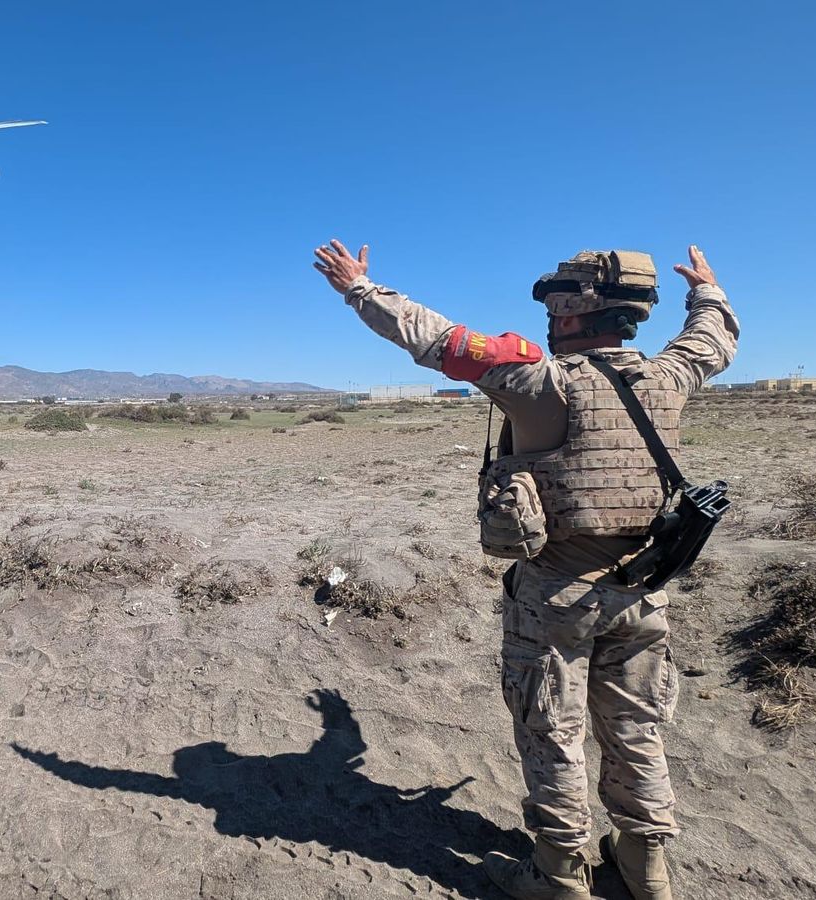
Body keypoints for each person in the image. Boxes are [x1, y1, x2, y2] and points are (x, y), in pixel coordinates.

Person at [313, 241, 738, 900]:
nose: (548, 314)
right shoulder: (670, 376)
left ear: (575, 311)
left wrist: (360, 289)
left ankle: (559, 875)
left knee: (552, 733)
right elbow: (712, 339)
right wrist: (706, 290)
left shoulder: (539, 381)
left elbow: (432, 337)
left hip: (554, 600)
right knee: (635, 728)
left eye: (556, 303)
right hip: (641, 596)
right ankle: (644, 865)